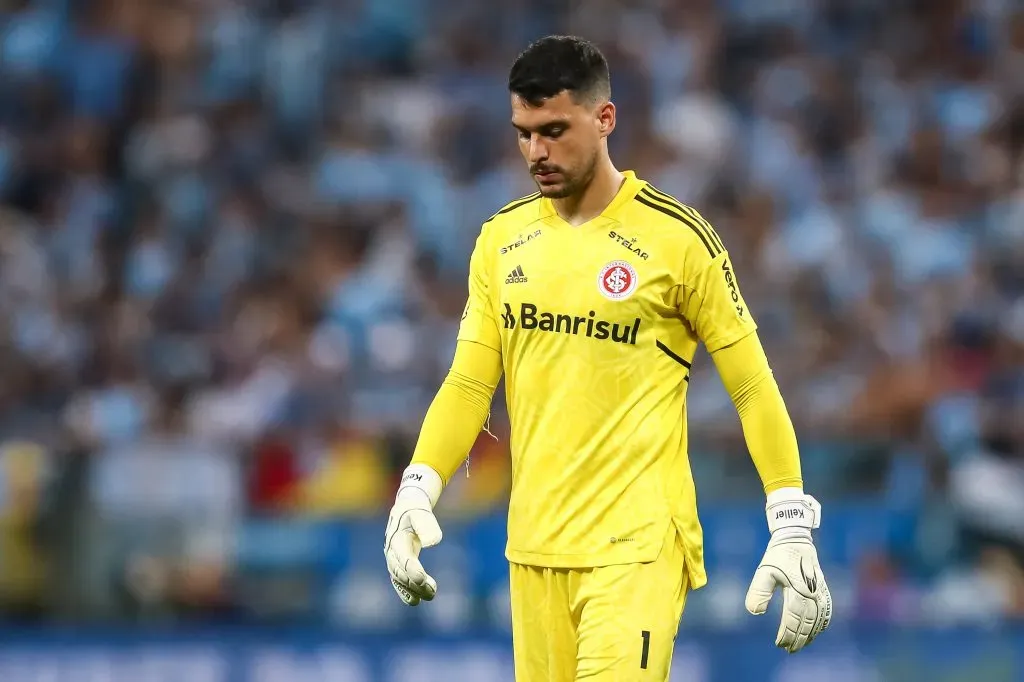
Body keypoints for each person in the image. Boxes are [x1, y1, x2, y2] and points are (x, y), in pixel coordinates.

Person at [383, 35, 832, 681]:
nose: (537, 151)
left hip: (637, 546)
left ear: (604, 119)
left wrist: (790, 519)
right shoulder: (501, 240)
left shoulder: (678, 239)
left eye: (555, 130)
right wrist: (417, 488)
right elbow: (468, 380)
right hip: (534, 547)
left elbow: (753, 387)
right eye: (524, 133)